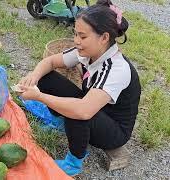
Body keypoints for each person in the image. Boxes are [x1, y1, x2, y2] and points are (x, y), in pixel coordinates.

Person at [18, 0, 141, 176]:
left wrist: (38, 97)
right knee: (46, 77)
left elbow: (83, 111)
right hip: (93, 107)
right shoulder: (88, 52)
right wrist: (33, 77)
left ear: (104, 37)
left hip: (114, 131)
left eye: (82, 37)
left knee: (77, 110)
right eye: (75, 34)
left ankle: (74, 161)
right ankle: (61, 122)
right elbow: (51, 61)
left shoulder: (116, 68)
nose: (76, 41)